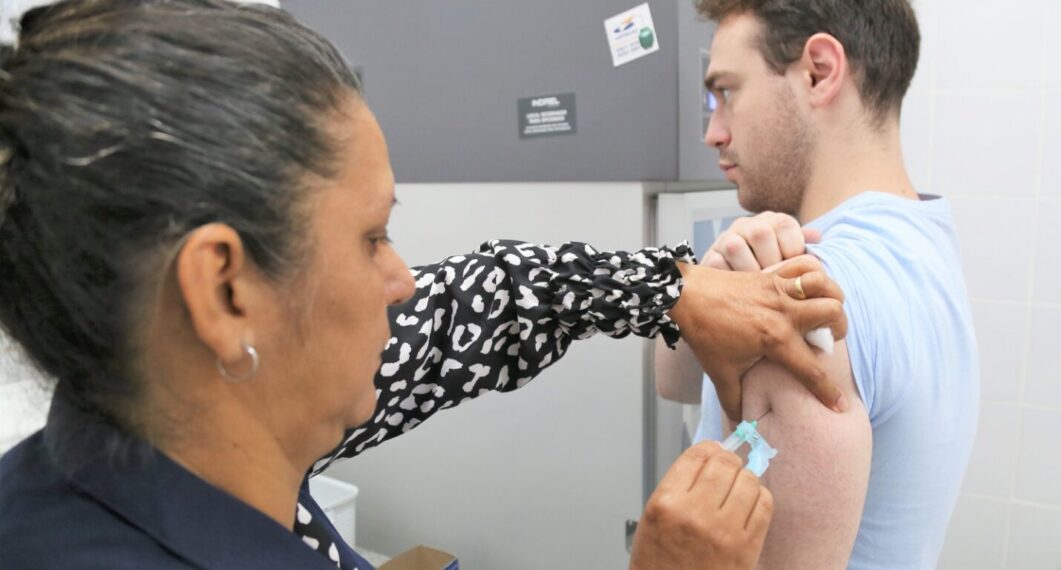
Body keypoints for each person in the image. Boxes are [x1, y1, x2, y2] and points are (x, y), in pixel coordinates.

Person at [0, 1, 849, 568]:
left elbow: (481, 305)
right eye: (372, 238)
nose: (404, 282)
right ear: (224, 294)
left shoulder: (187, 428)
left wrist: (665, 288)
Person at [656, 1, 980, 568]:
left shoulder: (795, 300)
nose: (713, 132)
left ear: (819, 72)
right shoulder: (924, 236)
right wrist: (703, 286)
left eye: (726, 91)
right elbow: (677, 384)